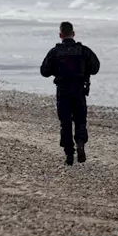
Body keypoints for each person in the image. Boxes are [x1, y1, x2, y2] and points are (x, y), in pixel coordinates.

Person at [40, 21, 101, 166]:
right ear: (73, 34)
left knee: (65, 122)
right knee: (80, 120)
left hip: (63, 90)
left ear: (60, 35)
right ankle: (80, 143)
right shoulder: (83, 50)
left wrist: (57, 69)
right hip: (79, 89)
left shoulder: (55, 52)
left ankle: (69, 154)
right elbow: (95, 67)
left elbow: (44, 72)